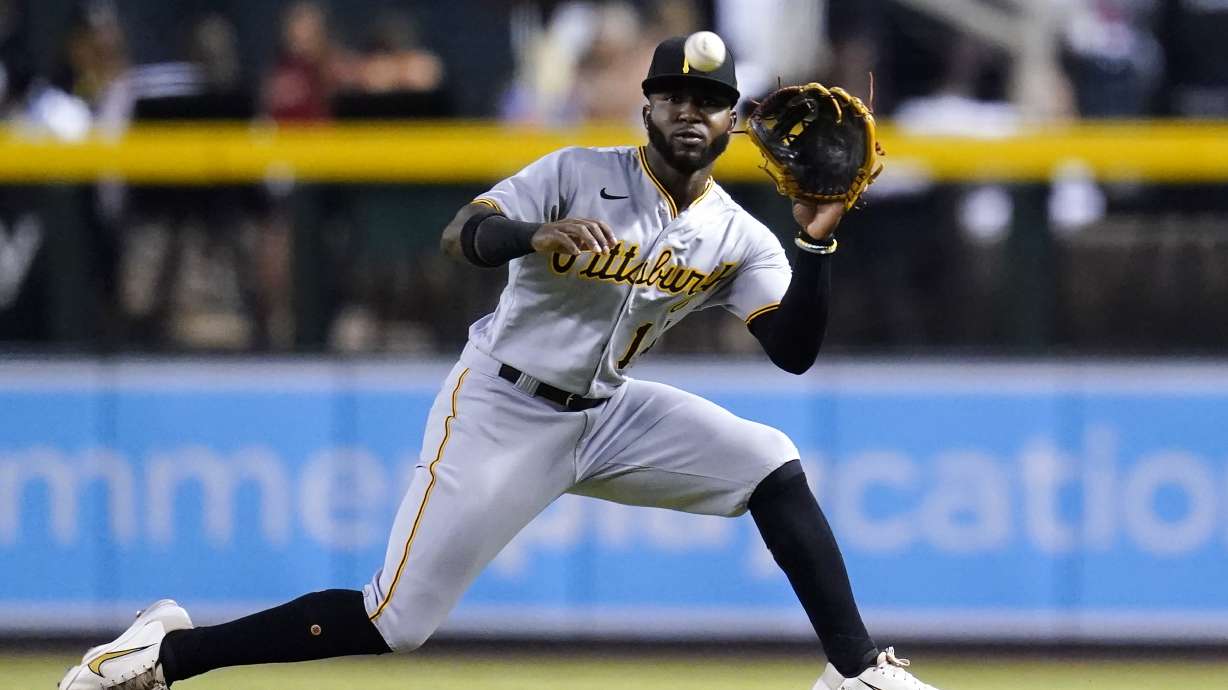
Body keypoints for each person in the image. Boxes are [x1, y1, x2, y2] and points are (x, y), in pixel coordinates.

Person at [58, 36, 940, 690]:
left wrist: (817, 245)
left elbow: (792, 352)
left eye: (708, 99)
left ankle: (856, 673)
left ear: (731, 120)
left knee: (771, 463)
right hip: (501, 406)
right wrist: (534, 233)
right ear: (646, 106)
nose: (689, 111)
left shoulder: (739, 236)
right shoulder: (575, 170)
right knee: (394, 620)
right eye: (672, 94)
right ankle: (164, 655)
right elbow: (462, 233)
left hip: (607, 413)